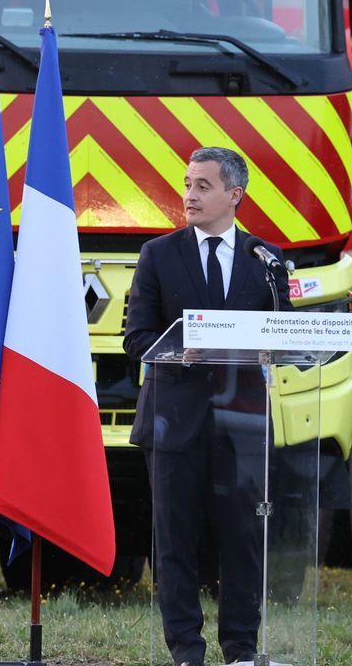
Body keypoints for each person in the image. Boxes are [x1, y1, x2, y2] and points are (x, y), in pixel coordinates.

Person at [123, 146, 292, 666]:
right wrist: (178, 349)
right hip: (175, 422)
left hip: (242, 421)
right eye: (187, 184)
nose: (190, 195)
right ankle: (186, 651)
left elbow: (284, 333)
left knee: (243, 539)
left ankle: (240, 649)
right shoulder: (159, 254)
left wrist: (274, 344)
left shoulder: (265, 260)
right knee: (175, 541)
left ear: (234, 195)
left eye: (203, 186)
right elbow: (136, 339)